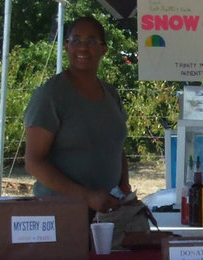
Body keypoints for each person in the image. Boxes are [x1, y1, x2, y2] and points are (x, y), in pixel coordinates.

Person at [24, 16, 132, 213]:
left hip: (107, 213)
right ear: (66, 45)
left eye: (91, 41)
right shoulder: (51, 95)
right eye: (76, 40)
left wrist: (124, 187)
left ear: (103, 49)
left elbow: (117, 147)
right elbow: (33, 162)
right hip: (61, 214)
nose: (83, 48)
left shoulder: (110, 94)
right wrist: (86, 196)